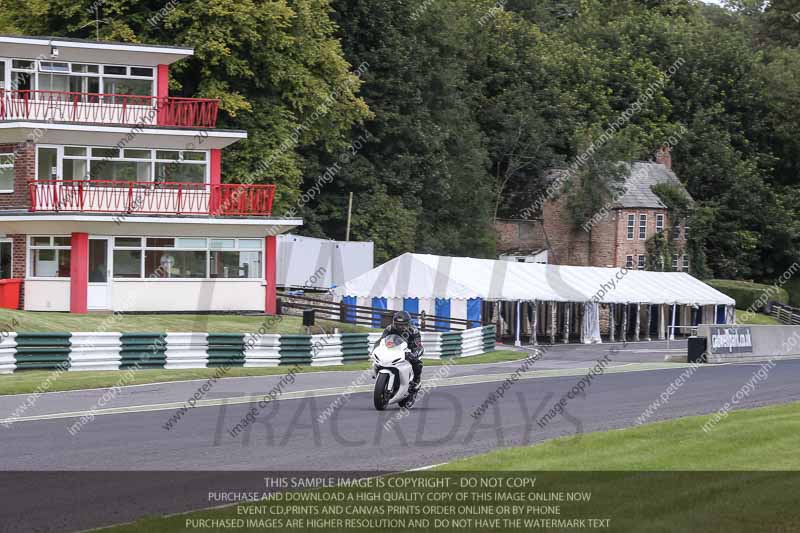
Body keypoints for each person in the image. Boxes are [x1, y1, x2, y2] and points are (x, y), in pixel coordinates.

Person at [379, 311, 423, 392]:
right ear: (394, 323)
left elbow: (419, 345)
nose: (400, 327)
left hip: (409, 350)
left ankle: (416, 381)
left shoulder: (414, 331)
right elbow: (381, 340)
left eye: (403, 325)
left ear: (408, 324)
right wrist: (376, 348)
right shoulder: (389, 328)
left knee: (417, 363)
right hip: (393, 349)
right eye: (398, 324)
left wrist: (414, 354)